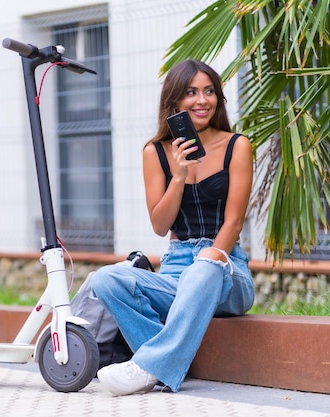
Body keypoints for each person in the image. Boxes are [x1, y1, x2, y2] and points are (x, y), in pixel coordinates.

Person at [91, 59, 255, 396]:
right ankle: (163, 366)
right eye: (191, 92)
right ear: (174, 101)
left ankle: (148, 365)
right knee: (106, 279)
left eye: (209, 92)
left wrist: (213, 255)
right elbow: (160, 224)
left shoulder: (237, 145)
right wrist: (178, 175)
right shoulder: (155, 152)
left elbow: (235, 222)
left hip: (226, 270)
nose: (202, 100)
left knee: (205, 266)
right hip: (176, 269)